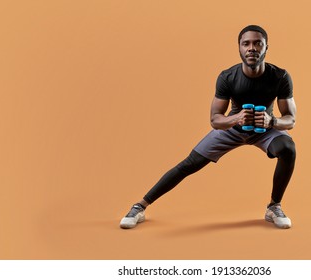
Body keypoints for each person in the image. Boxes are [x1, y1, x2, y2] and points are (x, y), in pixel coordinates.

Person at [120, 25, 297, 229]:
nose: (251, 48)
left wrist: (272, 121)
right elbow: (215, 120)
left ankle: (274, 206)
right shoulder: (227, 77)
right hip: (232, 128)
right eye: (246, 43)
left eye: (258, 43)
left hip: (265, 129)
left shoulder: (280, 77)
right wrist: (236, 118)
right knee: (189, 164)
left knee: (288, 148)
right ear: (239, 48)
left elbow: (290, 120)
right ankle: (139, 207)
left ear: (266, 48)